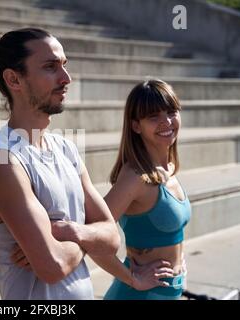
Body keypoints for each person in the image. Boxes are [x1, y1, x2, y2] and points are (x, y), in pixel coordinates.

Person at [0, 28, 120, 300]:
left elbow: (113, 237)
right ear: (14, 79)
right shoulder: (1, 160)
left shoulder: (66, 148)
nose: (66, 78)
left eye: (64, 65)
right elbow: (53, 265)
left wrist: (72, 232)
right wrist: (89, 238)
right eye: (50, 67)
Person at [99, 79, 191, 300]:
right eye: (153, 116)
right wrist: (132, 278)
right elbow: (93, 232)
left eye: (171, 111)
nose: (166, 121)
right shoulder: (135, 177)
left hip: (169, 291)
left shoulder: (168, 168)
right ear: (136, 125)